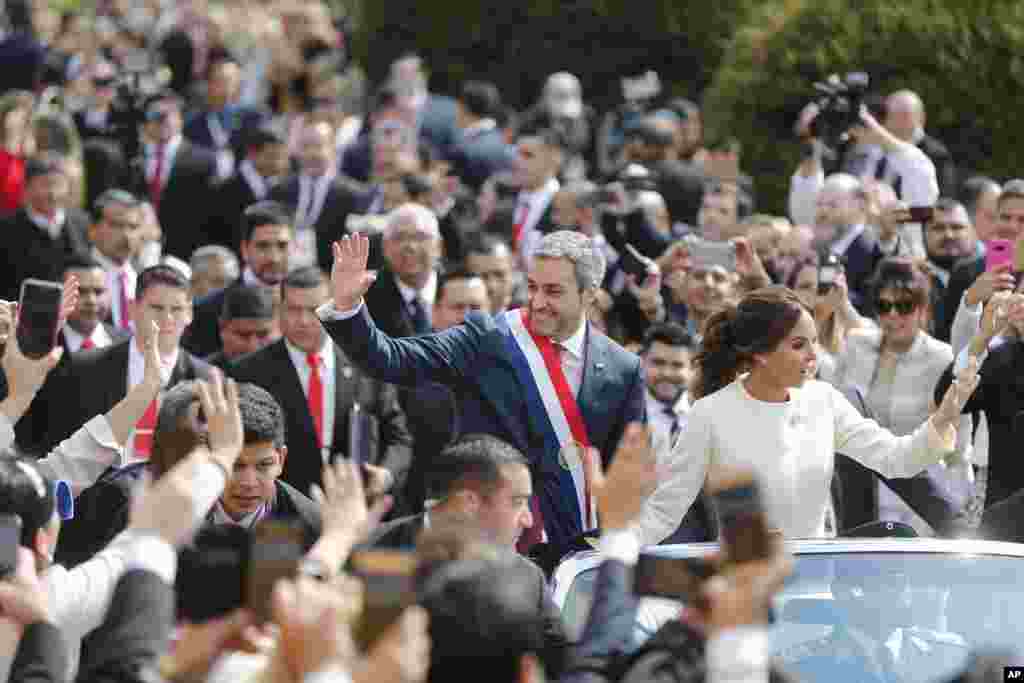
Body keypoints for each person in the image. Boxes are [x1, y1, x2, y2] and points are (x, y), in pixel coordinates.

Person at [320, 230, 645, 553]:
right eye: (532, 287)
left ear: (589, 295)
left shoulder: (623, 368)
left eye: (554, 291)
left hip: (578, 548)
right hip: (490, 543)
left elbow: (624, 474)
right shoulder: (487, 338)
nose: (538, 302)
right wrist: (349, 307)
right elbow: (390, 359)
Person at [656, 285, 976, 539]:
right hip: (745, 593)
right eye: (799, 345)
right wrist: (611, 551)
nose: (814, 356)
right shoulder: (710, 414)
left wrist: (946, 413)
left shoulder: (824, 400)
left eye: (813, 342)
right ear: (760, 353)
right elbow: (665, 511)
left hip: (815, 587)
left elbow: (898, 460)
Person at [230, 266, 412, 499]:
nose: (304, 321)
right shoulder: (249, 372)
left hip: (354, 506)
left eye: (314, 310)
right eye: (294, 310)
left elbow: (399, 437)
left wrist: (385, 475)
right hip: (281, 514)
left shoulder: (367, 364)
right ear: (279, 310)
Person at [830, 258, 973, 537]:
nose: (893, 315)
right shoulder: (856, 344)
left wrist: (954, 502)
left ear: (922, 309)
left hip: (917, 493)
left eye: (904, 306)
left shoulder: (941, 357)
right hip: (856, 487)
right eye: (884, 306)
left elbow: (959, 436)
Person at [44, 265, 214, 457]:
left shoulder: (207, 380)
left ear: (189, 314)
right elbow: (61, 445)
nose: (167, 318)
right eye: (156, 308)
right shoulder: (85, 368)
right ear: (133, 309)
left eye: (176, 309)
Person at [184, 200, 293, 357]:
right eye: (263, 246)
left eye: (282, 246)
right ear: (244, 249)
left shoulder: (310, 306)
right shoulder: (207, 311)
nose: (274, 257)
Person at [126, 92, 218, 261]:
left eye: (169, 114)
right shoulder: (130, 158)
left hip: (185, 253)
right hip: (135, 250)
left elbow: (210, 215)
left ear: (181, 119)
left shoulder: (204, 161)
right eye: (156, 115)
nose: (163, 120)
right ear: (145, 123)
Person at [0, 154, 91, 301]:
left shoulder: (81, 223)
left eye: (58, 185)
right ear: (27, 188)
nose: (52, 194)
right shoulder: (6, 228)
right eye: (45, 185)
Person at [363, 203, 444, 338]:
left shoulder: (456, 289)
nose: (410, 246)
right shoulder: (366, 297)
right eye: (399, 238)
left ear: (439, 246)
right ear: (384, 247)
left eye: (420, 237)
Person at [85, 188, 145, 332]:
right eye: (116, 225)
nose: (126, 235)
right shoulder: (74, 274)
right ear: (92, 230)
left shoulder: (147, 278)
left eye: (133, 227)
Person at [205, 284, 278, 369]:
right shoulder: (201, 374)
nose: (253, 346)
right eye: (243, 335)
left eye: (262, 335)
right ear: (222, 329)